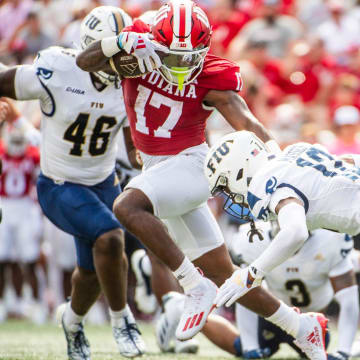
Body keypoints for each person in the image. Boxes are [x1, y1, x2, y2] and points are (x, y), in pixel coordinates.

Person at [76, 1, 328, 358]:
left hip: (192, 166)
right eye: (172, 57)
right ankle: (301, 328)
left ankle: (193, 286)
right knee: (228, 277)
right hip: (159, 170)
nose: (181, 66)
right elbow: (84, 62)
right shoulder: (137, 50)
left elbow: (247, 122)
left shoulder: (210, 75)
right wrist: (117, 44)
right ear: (153, 42)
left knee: (127, 207)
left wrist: (280, 159)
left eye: (189, 57)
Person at [0, 6, 147, 360]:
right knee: (112, 238)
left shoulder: (129, 84)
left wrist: (147, 168)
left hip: (103, 183)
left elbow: (134, 147)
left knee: (91, 271)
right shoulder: (59, 70)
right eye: (114, 52)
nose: (122, 61)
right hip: (59, 184)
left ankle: (73, 321)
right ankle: (122, 320)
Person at [204, 130, 360, 312]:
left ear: (239, 170)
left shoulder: (264, 185)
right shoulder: (294, 151)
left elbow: (296, 232)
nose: (230, 194)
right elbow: (349, 161)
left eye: (226, 184)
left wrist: (251, 274)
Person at [227, 222, 358, 360]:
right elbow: (246, 290)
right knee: (239, 346)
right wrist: (250, 347)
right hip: (273, 315)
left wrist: (343, 352)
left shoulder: (330, 240)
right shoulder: (255, 239)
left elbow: (348, 297)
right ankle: (206, 322)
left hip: (313, 322)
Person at [0, 127, 44, 323]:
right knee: (2, 258)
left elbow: (41, 181)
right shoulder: (1, 152)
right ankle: (4, 303)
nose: (17, 147)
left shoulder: (34, 155)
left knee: (30, 258)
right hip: (4, 204)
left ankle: (35, 304)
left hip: (26, 206)